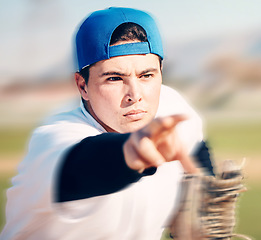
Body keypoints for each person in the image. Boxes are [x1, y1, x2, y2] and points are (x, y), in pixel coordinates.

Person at [1, 7, 214, 240]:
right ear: (82, 86)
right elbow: (86, 164)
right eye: (114, 78)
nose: (135, 94)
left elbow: (196, 146)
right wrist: (131, 152)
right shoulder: (55, 141)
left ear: (160, 73)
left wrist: (206, 197)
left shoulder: (171, 107)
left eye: (146, 75)